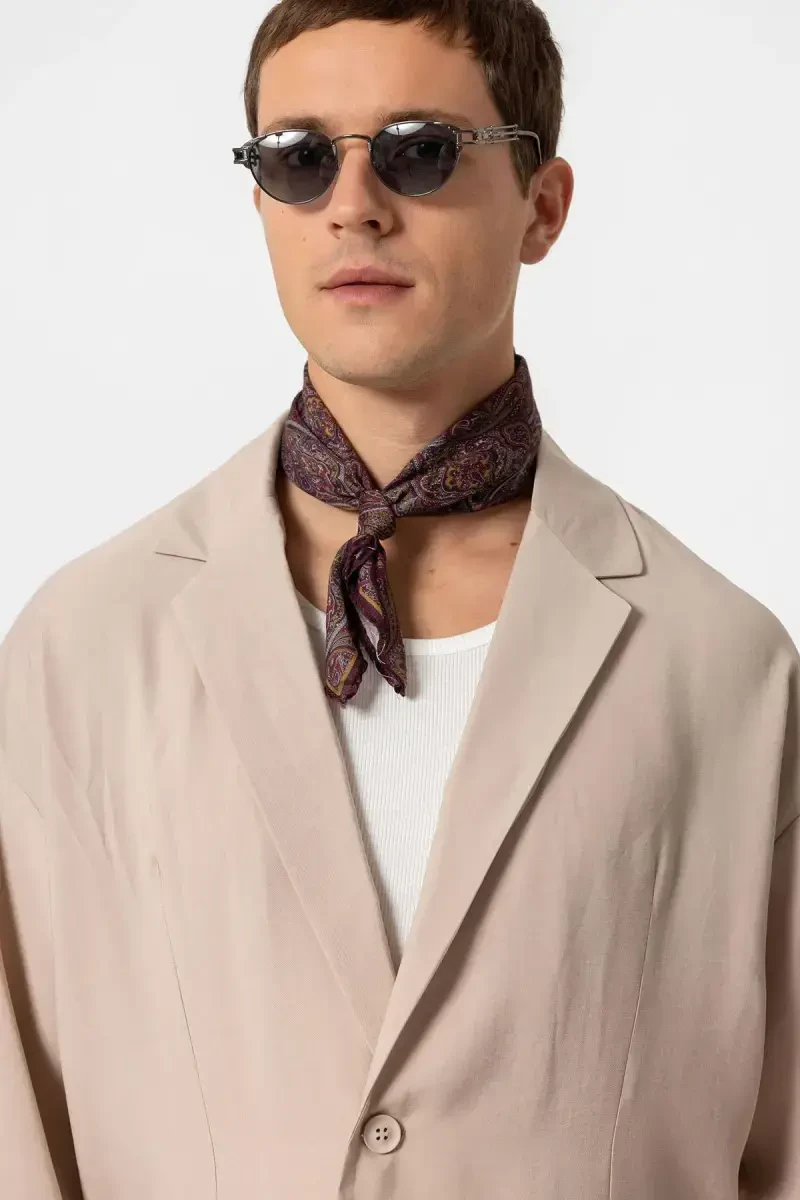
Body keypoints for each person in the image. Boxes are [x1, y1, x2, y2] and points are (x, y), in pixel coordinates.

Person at [1, 2, 797, 1196]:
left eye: (419, 150)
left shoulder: (723, 666)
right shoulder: (83, 649)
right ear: (260, 204)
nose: (352, 205)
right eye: (298, 158)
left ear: (542, 206)